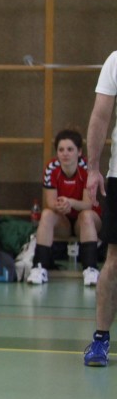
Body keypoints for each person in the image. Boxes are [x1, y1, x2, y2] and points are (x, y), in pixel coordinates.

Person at [25, 128, 102, 286]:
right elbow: (50, 201)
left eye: (70, 149)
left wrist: (70, 202)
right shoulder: (51, 168)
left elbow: (88, 204)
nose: (65, 153)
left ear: (79, 152)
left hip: (87, 221)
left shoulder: (88, 168)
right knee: (47, 214)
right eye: (61, 150)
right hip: (64, 221)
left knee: (86, 215)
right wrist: (59, 206)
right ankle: (39, 267)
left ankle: (91, 269)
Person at [84, 50, 117, 367]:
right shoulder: (116, 61)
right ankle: (100, 338)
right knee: (114, 261)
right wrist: (93, 168)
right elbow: (100, 116)